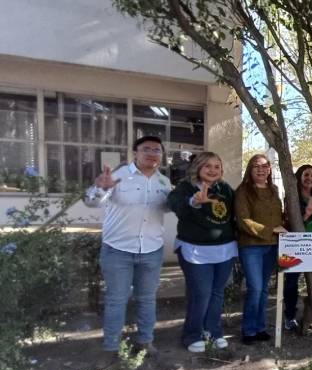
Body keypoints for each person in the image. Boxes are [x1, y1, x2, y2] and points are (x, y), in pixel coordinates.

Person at [84, 135, 171, 354]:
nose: (152, 153)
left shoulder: (164, 181)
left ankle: (145, 341)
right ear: (135, 153)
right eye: (146, 149)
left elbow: (169, 207)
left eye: (157, 150)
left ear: (161, 155)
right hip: (117, 250)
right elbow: (91, 202)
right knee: (116, 299)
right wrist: (101, 188)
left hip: (151, 249)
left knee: (147, 299)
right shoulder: (118, 176)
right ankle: (111, 347)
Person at [168, 152, 238, 352]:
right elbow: (174, 204)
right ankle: (192, 334)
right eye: (207, 166)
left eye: (217, 166)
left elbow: (236, 213)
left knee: (217, 293)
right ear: (197, 167)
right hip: (195, 251)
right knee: (201, 293)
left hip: (224, 250)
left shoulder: (225, 189)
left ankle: (213, 331)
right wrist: (194, 202)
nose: (213, 170)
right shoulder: (185, 187)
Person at [234, 154, 286, 345]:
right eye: (256, 166)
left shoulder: (274, 190)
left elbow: (278, 217)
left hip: (272, 246)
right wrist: (271, 230)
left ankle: (260, 327)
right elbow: (243, 221)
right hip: (251, 247)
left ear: (270, 169)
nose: (261, 169)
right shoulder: (243, 191)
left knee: (264, 289)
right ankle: (248, 330)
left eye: (265, 166)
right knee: (255, 288)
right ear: (250, 169)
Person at [283, 164, 312, 331]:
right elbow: (290, 220)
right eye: (306, 175)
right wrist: (307, 215)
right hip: (296, 246)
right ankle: (289, 316)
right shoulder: (291, 197)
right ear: (299, 177)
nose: (309, 178)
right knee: (291, 283)